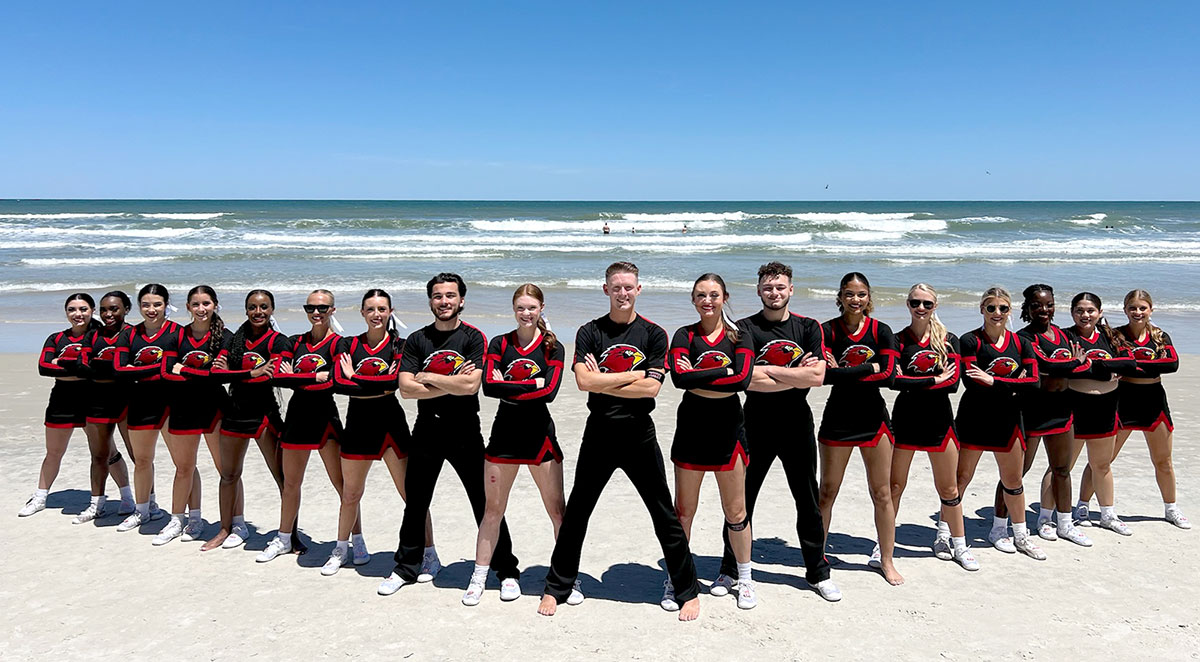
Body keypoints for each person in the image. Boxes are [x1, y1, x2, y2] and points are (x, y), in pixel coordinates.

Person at [538, 261, 701, 621]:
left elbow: (652, 387)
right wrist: (632, 375)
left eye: (629, 287)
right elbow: (584, 383)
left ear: (638, 290)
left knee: (664, 514)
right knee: (577, 512)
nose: (623, 293)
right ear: (606, 290)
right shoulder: (590, 331)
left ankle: (687, 590)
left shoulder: (654, 335)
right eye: (616, 287)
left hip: (639, 433)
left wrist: (607, 378)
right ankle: (558, 585)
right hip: (599, 432)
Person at [380, 274, 514, 596]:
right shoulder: (417, 340)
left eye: (450, 296)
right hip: (426, 430)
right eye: (438, 296)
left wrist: (426, 375)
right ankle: (406, 567)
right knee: (416, 501)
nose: (444, 302)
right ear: (430, 301)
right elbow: (406, 390)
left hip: (465, 430)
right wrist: (447, 380)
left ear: (461, 301)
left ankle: (506, 569)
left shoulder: (473, 338)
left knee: (484, 502)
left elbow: (470, 387)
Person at [715, 261, 840, 602]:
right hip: (753, 422)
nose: (774, 292)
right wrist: (789, 374)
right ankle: (729, 569)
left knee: (807, 500)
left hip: (797, 423)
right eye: (768, 287)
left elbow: (817, 377)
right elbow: (745, 380)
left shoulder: (808, 327)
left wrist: (766, 370)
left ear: (791, 290)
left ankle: (817, 572)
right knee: (741, 502)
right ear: (758, 291)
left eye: (780, 287)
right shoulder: (743, 329)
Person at [466, 284, 575, 606]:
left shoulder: (553, 347)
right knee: (492, 511)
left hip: (540, 434)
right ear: (513, 310)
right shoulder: (500, 343)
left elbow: (550, 392)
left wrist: (508, 383)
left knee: (557, 511)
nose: (526, 313)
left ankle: (568, 577)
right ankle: (479, 578)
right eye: (520, 308)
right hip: (504, 435)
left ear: (542, 309)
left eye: (532, 307)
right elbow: (487, 387)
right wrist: (532, 382)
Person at [320, 289, 435, 576]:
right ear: (362, 313)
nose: (376, 315)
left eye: (382, 309)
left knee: (412, 496)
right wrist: (362, 382)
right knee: (350, 494)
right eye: (370, 309)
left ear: (390, 311)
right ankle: (341, 549)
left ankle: (430, 553)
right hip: (357, 425)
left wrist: (354, 377)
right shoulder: (348, 344)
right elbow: (337, 384)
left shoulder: (401, 345)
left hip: (390, 425)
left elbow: (393, 384)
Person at [668, 274, 756, 607]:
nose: (708, 300)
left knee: (736, 511)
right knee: (684, 512)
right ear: (693, 299)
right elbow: (678, 379)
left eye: (714, 294)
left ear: (724, 297)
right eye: (701, 295)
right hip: (691, 427)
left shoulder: (740, 335)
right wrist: (723, 373)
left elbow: (743, 379)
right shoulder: (683, 334)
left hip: (728, 428)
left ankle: (745, 579)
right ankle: (678, 579)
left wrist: (698, 376)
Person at [817, 272, 903, 585]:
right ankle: (818, 556)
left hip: (874, 419)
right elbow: (826, 376)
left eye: (862, 294)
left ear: (869, 297)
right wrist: (871, 367)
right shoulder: (826, 330)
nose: (856, 300)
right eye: (850, 294)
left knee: (882, 492)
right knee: (826, 492)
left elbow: (891, 376)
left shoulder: (882, 330)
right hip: (838, 418)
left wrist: (848, 371)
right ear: (840, 296)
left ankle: (887, 560)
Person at [888, 284, 978, 571]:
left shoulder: (949, 340)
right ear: (908, 304)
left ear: (935, 305)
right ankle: (884, 546)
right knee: (894, 487)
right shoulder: (897, 339)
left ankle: (958, 545)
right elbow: (892, 381)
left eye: (927, 303)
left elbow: (952, 385)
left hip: (940, 421)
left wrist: (916, 381)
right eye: (915, 302)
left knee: (949, 488)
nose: (921, 308)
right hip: (905, 420)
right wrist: (933, 380)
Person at [20, 293, 131, 519]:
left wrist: (61, 363)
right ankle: (40, 497)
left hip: (94, 399)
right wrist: (78, 368)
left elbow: (100, 367)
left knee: (107, 453)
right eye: (72, 309)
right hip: (61, 400)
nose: (77, 314)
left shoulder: (100, 336)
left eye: (83, 309)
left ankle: (126, 496)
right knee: (54, 452)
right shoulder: (57, 338)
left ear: (92, 311)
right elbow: (43, 367)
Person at [955, 287, 1045, 560]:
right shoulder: (970, 341)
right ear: (981, 309)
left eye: (1003, 308)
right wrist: (1012, 385)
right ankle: (946, 534)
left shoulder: (1021, 344)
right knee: (960, 480)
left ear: (1010, 311)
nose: (997, 313)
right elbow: (971, 380)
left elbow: (1034, 383)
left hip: (1008, 419)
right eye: (991, 308)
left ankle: (1014, 534)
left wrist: (994, 381)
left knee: (1013, 480)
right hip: (975, 418)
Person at [260, 290, 350, 562]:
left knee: (343, 485)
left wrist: (298, 376)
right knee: (290, 484)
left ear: (332, 310)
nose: (316, 313)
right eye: (310, 307)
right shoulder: (295, 341)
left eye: (322, 308)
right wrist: (314, 376)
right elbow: (277, 378)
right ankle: (284, 537)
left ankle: (353, 540)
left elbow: (335, 381)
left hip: (326, 418)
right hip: (297, 417)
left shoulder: (339, 344)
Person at [209, 290, 294, 551]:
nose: (258, 312)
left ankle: (289, 535)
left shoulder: (279, 341)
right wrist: (252, 371)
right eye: (253, 307)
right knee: (229, 475)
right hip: (235, 412)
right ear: (246, 310)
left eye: (264, 307)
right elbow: (215, 373)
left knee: (282, 478)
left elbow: (271, 376)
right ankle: (226, 528)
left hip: (264, 414)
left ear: (272, 309)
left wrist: (237, 373)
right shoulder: (235, 339)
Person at [1096, 290, 1188, 528]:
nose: (1137, 312)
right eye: (1132, 308)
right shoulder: (1116, 335)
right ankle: (1084, 506)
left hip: (1154, 400)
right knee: (1103, 460)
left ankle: (1171, 508)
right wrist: (1141, 365)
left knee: (1163, 461)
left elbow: (1172, 364)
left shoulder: (1159, 336)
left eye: (1142, 308)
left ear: (1151, 309)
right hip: (1124, 399)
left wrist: (1131, 364)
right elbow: (1112, 364)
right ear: (1125, 310)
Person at [1011, 285, 1092, 546]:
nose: (1043, 310)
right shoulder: (1024, 337)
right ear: (1028, 308)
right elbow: (1043, 365)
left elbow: (1083, 364)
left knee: (1062, 469)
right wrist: (1073, 363)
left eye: (1048, 304)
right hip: (1033, 409)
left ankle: (1064, 523)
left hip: (1062, 408)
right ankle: (1002, 524)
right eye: (1036, 305)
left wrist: (1074, 365)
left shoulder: (1063, 335)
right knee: (1017, 471)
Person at [152, 285, 232, 546]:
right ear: (187, 307)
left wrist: (183, 370)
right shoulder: (176, 335)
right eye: (195, 304)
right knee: (184, 468)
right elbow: (165, 372)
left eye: (206, 303)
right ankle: (183, 519)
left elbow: (219, 375)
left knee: (226, 471)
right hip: (182, 406)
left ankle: (234, 523)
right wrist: (200, 372)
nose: (201, 309)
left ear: (215, 305)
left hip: (214, 406)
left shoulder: (225, 337)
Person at [1061, 293, 1140, 534]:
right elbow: (1071, 371)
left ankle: (1106, 514)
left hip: (1106, 407)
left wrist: (1091, 366)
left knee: (1102, 465)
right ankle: (1050, 517)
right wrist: (1106, 371)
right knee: (1063, 467)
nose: (1085, 315)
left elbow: (1129, 363)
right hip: (1075, 406)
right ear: (1072, 312)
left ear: (1100, 312)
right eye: (1080, 310)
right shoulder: (1065, 336)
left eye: (1090, 310)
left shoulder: (1111, 335)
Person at [114, 284, 181, 533]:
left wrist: (137, 370)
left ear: (166, 305)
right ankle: (143, 510)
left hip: (172, 403)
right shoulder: (129, 335)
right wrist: (160, 368)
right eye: (146, 305)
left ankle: (182, 516)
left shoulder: (177, 333)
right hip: (140, 403)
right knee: (142, 460)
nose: (151, 309)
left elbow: (176, 368)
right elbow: (119, 369)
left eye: (157, 304)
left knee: (182, 464)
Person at [75, 290, 139, 523]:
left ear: (126, 309)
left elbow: (137, 367)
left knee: (138, 457)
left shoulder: (134, 333)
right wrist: (114, 370)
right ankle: (97, 504)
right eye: (104, 309)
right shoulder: (94, 335)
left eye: (114, 309)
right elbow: (81, 365)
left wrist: (103, 369)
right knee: (99, 456)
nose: (108, 313)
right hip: (98, 401)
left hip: (129, 400)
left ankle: (146, 504)